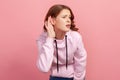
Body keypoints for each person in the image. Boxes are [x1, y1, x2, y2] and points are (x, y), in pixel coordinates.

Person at [36, 4, 87, 80]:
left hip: (75, 77)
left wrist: (78, 79)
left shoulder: (75, 37)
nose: (68, 20)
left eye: (69, 17)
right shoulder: (43, 39)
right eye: (64, 17)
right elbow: (44, 68)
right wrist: (50, 38)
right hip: (54, 78)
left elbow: (81, 60)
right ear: (52, 21)